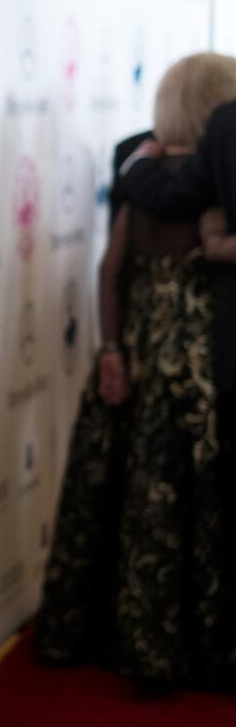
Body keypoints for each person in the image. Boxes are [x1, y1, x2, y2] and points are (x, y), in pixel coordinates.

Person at [34, 52, 236, 689]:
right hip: (203, 373)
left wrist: (113, 351)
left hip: (138, 363)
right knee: (202, 510)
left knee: (128, 502)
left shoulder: (137, 173)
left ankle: (123, 639)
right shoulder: (217, 185)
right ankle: (206, 650)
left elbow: (108, 271)